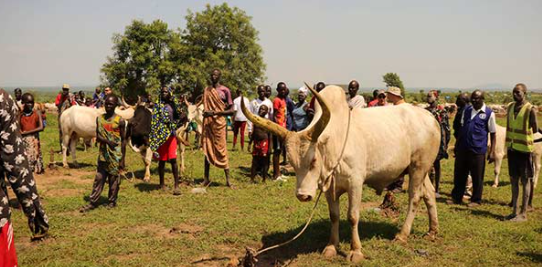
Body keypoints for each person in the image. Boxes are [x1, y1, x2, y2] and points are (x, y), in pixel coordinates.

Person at [0, 88, 50, 264]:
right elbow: (15, 166)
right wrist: (33, 210)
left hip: (30, 143)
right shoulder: (3, 101)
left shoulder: (31, 112)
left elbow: (40, 127)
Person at [449, 90, 496, 207]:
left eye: (477, 98)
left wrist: (492, 151)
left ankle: (476, 200)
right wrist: (457, 145)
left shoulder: (489, 113)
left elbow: (493, 133)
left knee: (477, 176)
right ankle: (456, 197)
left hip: (478, 149)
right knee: (459, 174)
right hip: (463, 148)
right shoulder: (467, 110)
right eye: (472, 98)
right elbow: (461, 128)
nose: (474, 100)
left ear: (482, 99)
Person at [80, 95, 127, 212]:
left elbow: (124, 140)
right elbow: (98, 135)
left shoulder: (120, 120)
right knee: (99, 178)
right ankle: (93, 202)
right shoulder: (99, 119)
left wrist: (122, 159)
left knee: (113, 179)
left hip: (115, 156)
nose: (108, 106)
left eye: (111, 104)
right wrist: (107, 141)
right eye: (106, 104)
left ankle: (112, 201)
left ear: (116, 106)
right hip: (103, 155)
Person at [505, 83, 537, 221]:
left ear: (525, 93)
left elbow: (534, 129)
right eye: (514, 92)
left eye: (518, 92)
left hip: (524, 150)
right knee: (513, 180)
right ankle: (514, 211)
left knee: (525, 181)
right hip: (512, 149)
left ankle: (523, 213)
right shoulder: (511, 107)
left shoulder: (530, 109)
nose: (515, 94)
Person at [201, 69, 235, 187]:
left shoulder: (225, 90)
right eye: (211, 74)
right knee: (207, 149)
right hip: (208, 124)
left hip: (219, 124)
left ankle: (228, 180)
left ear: (219, 76)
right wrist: (206, 114)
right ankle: (206, 178)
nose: (213, 76)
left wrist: (215, 112)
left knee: (222, 149)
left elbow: (231, 110)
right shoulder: (207, 90)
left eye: (215, 75)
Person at [149, 86, 184, 195]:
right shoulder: (157, 105)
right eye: (162, 92)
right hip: (161, 136)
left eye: (166, 92)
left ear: (170, 93)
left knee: (173, 160)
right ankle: (162, 184)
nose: (164, 93)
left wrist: (179, 120)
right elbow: (154, 121)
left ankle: (176, 186)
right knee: (162, 161)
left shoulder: (174, 105)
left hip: (171, 135)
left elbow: (180, 115)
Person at [379, 87, 407, 209]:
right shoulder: (395, 107)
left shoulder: (403, 108)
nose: (387, 96)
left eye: (388, 94)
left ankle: (398, 185)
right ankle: (393, 184)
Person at [425, 90, 450, 197]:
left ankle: (437, 188)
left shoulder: (441, 112)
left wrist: (445, 143)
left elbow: (446, 128)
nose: (428, 98)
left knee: (437, 164)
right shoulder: (425, 111)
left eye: (430, 96)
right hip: (426, 140)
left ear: (436, 97)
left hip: (439, 140)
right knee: (426, 165)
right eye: (427, 96)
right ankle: (428, 186)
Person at [19, 93, 45, 174]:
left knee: (35, 156)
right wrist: (19, 112)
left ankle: (36, 169)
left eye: (32, 102)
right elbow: (16, 126)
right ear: (23, 103)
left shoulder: (37, 113)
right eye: (28, 102)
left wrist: (26, 133)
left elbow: (41, 127)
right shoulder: (20, 115)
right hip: (23, 140)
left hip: (34, 139)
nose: (31, 104)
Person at [250, 105, 271, 183]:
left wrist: (270, 147)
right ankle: (252, 179)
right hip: (256, 142)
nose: (261, 110)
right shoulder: (255, 120)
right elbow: (253, 132)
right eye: (260, 109)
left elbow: (270, 135)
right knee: (254, 161)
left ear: (266, 112)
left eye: (263, 109)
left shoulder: (267, 121)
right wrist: (250, 142)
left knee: (264, 161)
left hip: (264, 142)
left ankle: (264, 179)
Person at [272, 82, 288, 180]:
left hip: (283, 128)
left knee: (280, 150)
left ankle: (278, 173)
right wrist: (277, 127)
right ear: (277, 90)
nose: (283, 91)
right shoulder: (276, 100)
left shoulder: (283, 100)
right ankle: (275, 175)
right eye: (281, 90)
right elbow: (274, 115)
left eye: (284, 89)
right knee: (277, 151)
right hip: (278, 129)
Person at [55, 84, 76, 151]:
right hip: (61, 117)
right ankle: (62, 148)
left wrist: (69, 99)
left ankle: (69, 147)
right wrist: (62, 98)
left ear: (68, 90)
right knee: (61, 132)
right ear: (62, 89)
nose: (65, 91)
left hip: (69, 117)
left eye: (66, 90)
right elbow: (58, 106)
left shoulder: (71, 96)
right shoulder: (59, 96)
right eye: (64, 89)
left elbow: (73, 106)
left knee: (70, 132)